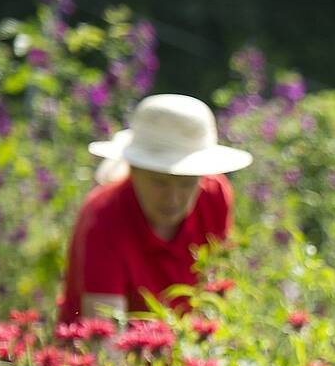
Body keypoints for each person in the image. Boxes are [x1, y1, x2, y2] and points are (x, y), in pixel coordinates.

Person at [61, 94, 252, 321]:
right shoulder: (103, 217)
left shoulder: (214, 196)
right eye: (159, 182)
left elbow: (213, 292)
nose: (173, 198)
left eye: (186, 184)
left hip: (187, 344)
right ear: (134, 170)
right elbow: (103, 334)